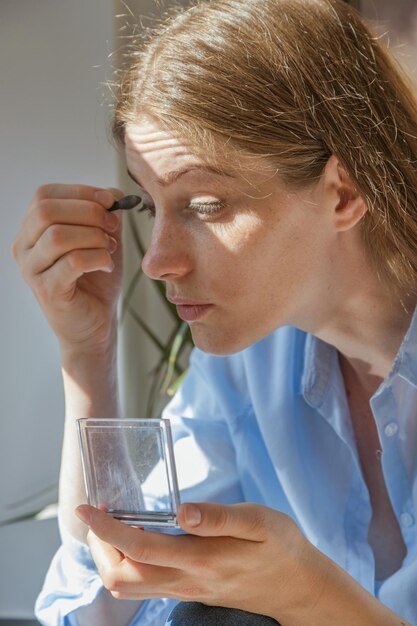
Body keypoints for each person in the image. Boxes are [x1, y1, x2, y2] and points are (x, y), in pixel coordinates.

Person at [12, 0, 417, 624]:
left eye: (204, 205)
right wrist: (88, 357)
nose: (157, 262)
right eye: (150, 206)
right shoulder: (246, 367)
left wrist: (310, 593)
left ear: (345, 191)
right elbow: (98, 611)